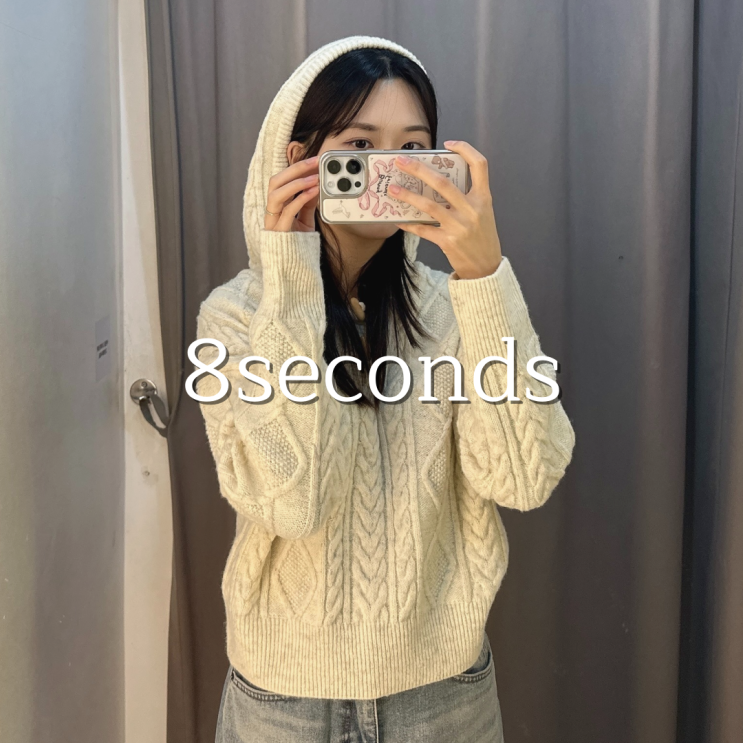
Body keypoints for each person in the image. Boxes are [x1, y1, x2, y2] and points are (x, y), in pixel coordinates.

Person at [194, 35, 575, 743]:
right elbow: (292, 502)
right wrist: (292, 284)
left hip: (444, 699)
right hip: (282, 704)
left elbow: (524, 478)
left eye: (412, 148)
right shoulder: (236, 319)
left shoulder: (457, 307)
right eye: (359, 147)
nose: (387, 172)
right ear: (297, 157)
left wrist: (484, 276)